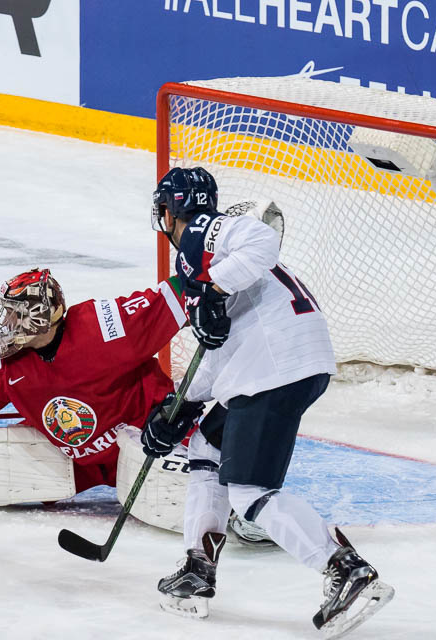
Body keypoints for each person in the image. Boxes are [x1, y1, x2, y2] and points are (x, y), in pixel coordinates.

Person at [142, 167, 394, 636]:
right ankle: (198, 567)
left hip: (274, 367)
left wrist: (213, 293)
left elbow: (261, 238)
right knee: (205, 450)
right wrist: (180, 409)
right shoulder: (218, 268)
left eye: (164, 211)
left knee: (250, 491)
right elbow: (217, 354)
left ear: (172, 209)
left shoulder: (205, 233)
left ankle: (346, 570)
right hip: (274, 363)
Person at [0, 268, 199, 495]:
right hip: (80, 463)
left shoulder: (102, 327)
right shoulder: (6, 360)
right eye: (7, 314)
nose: (8, 324)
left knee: (212, 470)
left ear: (49, 314)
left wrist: (214, 282)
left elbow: (172, 299)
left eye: (18, 314)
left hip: (154, 437)